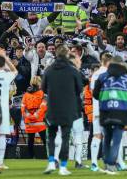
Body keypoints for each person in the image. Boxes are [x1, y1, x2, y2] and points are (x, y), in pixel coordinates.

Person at [41, 45, 84, 175]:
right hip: (68, 109)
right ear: (66, 55)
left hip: (53, 108)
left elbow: (43, 88)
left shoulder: (48, 70)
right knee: (65, 137)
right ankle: (63, 167)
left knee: (52, 137)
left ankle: (51, 163)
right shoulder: (73, 71)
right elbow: (80, 89)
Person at [92, 55, 127, 174]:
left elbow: (95, 94)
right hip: (121, 111)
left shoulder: (102, 76)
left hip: (105, 110)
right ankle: (111, 163)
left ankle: (107, 163)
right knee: (117, 139)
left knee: (106, 137)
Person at [22, 76, 47, 159]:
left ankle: (30, 157)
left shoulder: (25, 95)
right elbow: (43, 107)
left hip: (29, 122)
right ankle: (49, 157)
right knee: (45, 140)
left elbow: (23, 108)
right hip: (40, 121)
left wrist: (30, 116)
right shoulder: (42, 93)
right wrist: (36, 115)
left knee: (30, 140)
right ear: (39, 83)